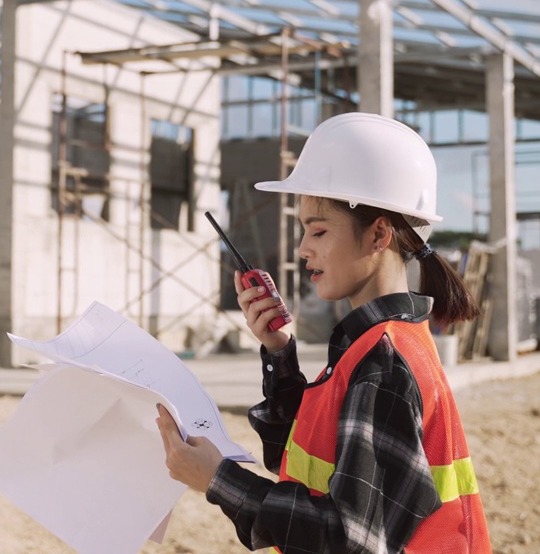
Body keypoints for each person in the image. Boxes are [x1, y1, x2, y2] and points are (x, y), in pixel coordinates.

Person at [156, 112, 492, 553]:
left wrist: (219, 478)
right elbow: (305, 466)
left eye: (318, 229)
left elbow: (348, 537)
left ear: (377, 236)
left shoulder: (383, 363)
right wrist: (279, 352)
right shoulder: (380, 344)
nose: (303, 248)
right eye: (302, 230)